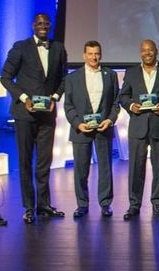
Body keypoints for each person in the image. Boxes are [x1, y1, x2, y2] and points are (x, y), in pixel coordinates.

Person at [0, 13, 68, 224]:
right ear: (33, 26)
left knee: (44, 161)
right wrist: (24, 98)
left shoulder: (58, 48)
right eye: (39, 23)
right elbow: (5, 77)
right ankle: (29, 207)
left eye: (46, 24)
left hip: (47, 115)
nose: (43, 26)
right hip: (25, 114)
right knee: (25, 161)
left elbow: (63, 78)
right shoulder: (20, 47)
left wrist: (55, 97)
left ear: (50, 26)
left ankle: (44, 204)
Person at [64, 40, 120, 218]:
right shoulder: (72, 78)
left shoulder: (110, 75)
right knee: (81, 169)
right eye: (90, 53)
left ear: (100, 55)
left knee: (105, 168)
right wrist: (78, 123)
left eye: (96, 53)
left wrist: (110, 120)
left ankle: (105, 204)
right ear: (84, 55)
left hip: (103, 129)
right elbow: (68, 106)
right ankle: (82, 204)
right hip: (81, 130)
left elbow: (115, 103)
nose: (94, 57)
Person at [120, 40, 159, 220]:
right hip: (138, 126)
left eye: (150, 50)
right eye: (144, 50)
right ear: (140, 53)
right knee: (135, 168)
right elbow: (123, 96)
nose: (147, 53)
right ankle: (134, 205)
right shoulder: (131, 72)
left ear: (156, 51)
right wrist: (131, 105)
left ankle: (157, 203)